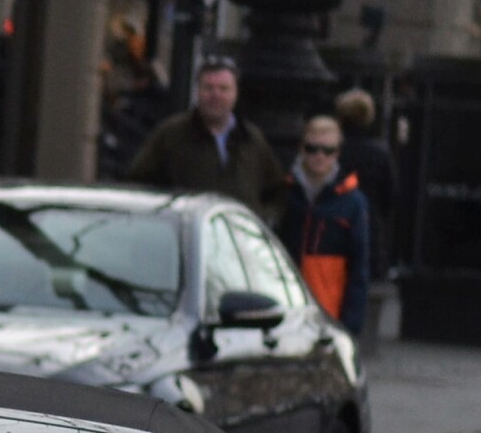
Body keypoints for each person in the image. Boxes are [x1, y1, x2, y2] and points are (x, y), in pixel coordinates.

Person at [124, 56, 286, 218]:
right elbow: (138, 182)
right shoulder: (171, 134)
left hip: (239, 237)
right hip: (187, 236)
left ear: (235, 93)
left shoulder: (251, 139)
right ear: (198, 92)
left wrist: (263, 220)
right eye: (208, 88)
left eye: (223, 89)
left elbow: (277, 191)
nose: (215, 95)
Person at [279, 115, 371, 336]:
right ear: (302, 149)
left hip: (329, 315)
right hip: (285, 310)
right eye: (312, 149)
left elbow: (359, 268)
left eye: (327, 150)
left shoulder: (352, 202)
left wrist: (350, 326)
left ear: (337, 153)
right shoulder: (284, 193)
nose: (319, 156)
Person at [332, 88, 397, 277]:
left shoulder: (335, 151)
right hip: (371, 225)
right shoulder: (380, 153)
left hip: (337, 223)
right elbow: (390, 195)